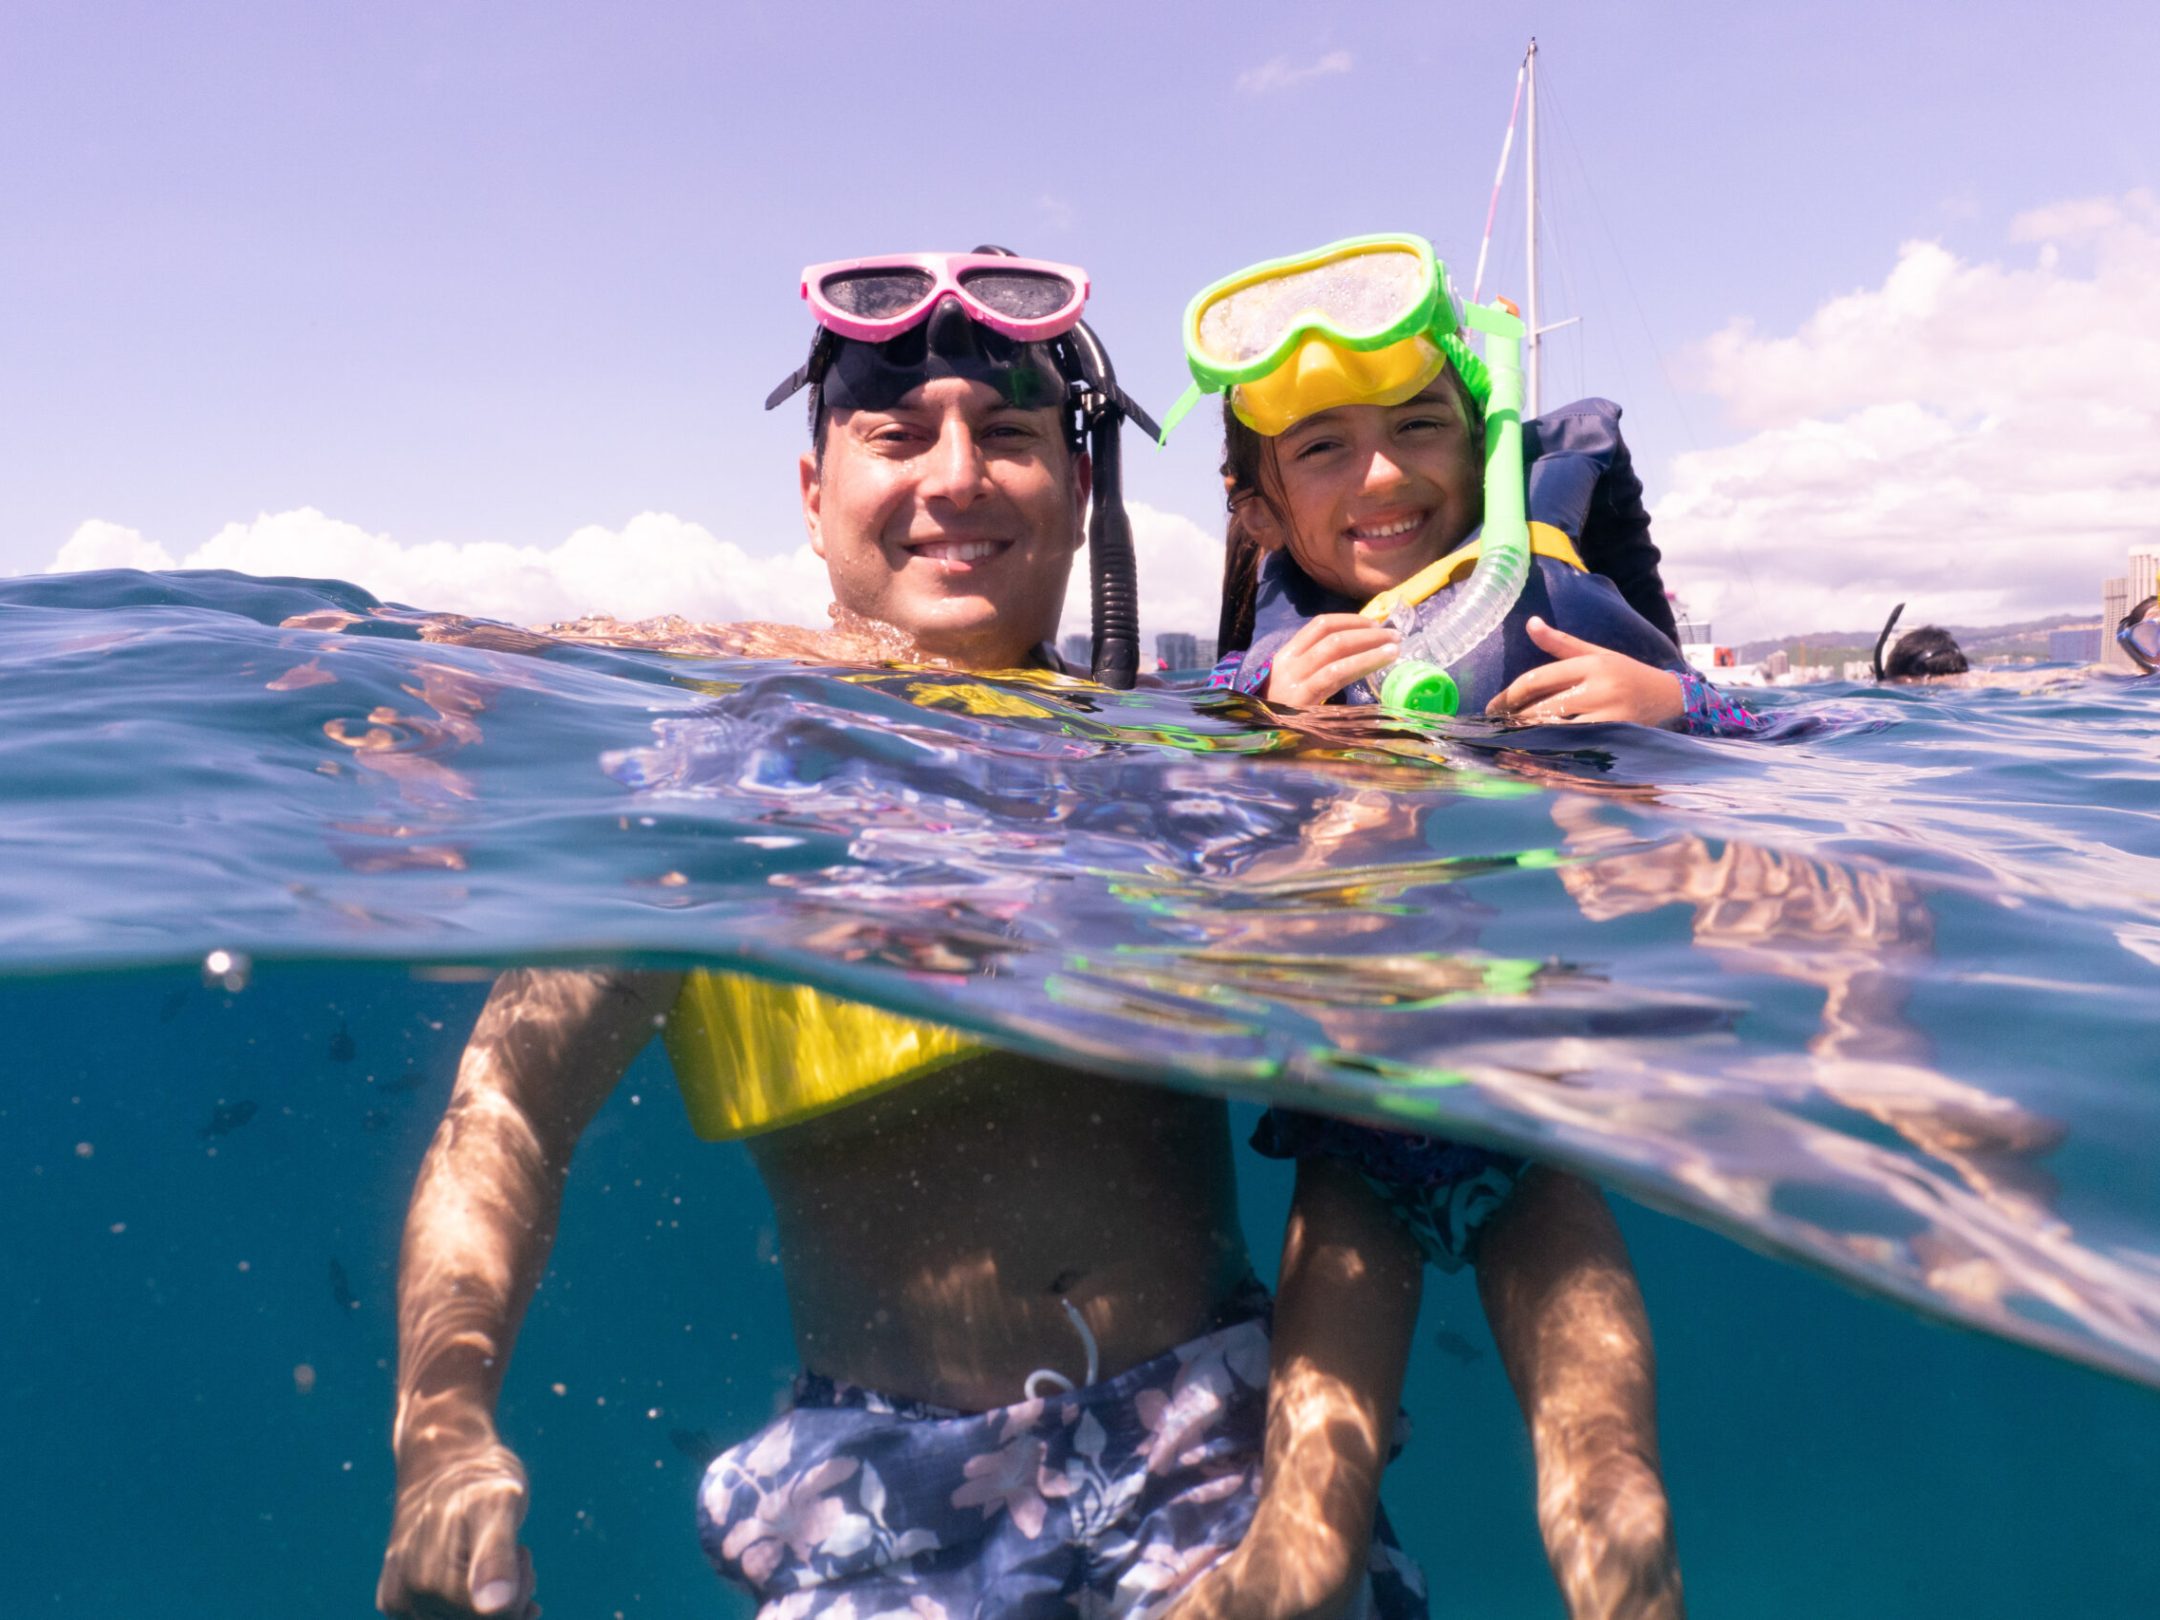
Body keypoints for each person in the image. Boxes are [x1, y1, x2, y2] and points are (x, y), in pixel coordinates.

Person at [378, 248, 1680, 1620]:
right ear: (814, 496)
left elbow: (1404, 1116)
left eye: (1007, 436)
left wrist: (1307, 1511)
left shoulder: (1203, 757)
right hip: (879, 1509)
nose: (956, 476)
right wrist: (441, 1433)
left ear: (1074, 496)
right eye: (897, 437)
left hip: (1225, 1468)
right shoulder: (706, 768)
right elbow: (507, 1106)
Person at [1169, 233, 1755, 742]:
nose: (1385, 473)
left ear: (1482, 452)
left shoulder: (1554, 606)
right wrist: (1269, 723)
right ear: (1260, 515)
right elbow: (1205, 777)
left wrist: (1675, 707)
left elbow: (1763, 734)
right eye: (1321, 447)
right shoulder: (1244, 685)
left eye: (1417, 425)